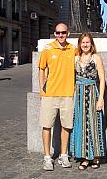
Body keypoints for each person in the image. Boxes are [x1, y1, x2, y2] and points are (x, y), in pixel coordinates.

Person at [38, 23, 76, 171]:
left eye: (63, 32)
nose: (61, 35)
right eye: (58, 33)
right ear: (54, 34)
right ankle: (47, 157)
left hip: (67, 94)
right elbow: (41, 70)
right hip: (50, 94)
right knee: (46, 125)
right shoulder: (47, 49)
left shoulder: (73, 49)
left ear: (68, 33)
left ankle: (63, 155)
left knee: (66, 126)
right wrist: (42, 90)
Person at [70, 32, 105, 170]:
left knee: (94, 124)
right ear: (80, 44)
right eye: (83, 42)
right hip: (78, 94)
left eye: (87, 42)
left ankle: (95, 157)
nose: (85, 45)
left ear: (91, 44)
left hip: (92, 93)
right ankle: (84, 157)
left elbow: (102, 79)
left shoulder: (96, 58)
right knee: (80, 124)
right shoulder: (75, 58)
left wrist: (100, 98)